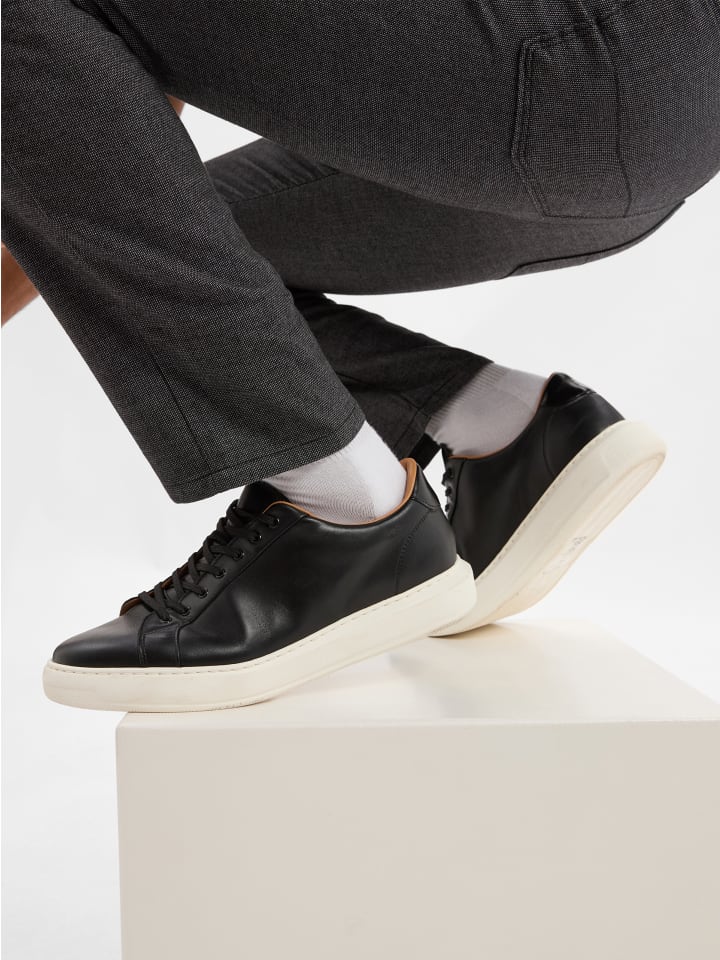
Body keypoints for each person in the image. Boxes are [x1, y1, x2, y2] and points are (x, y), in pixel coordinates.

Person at [3, 0, 718, 712]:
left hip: (573, 73)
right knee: (180, 229)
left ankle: (344, 510)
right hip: (669, 112)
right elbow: (117, 197)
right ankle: (502, 424)